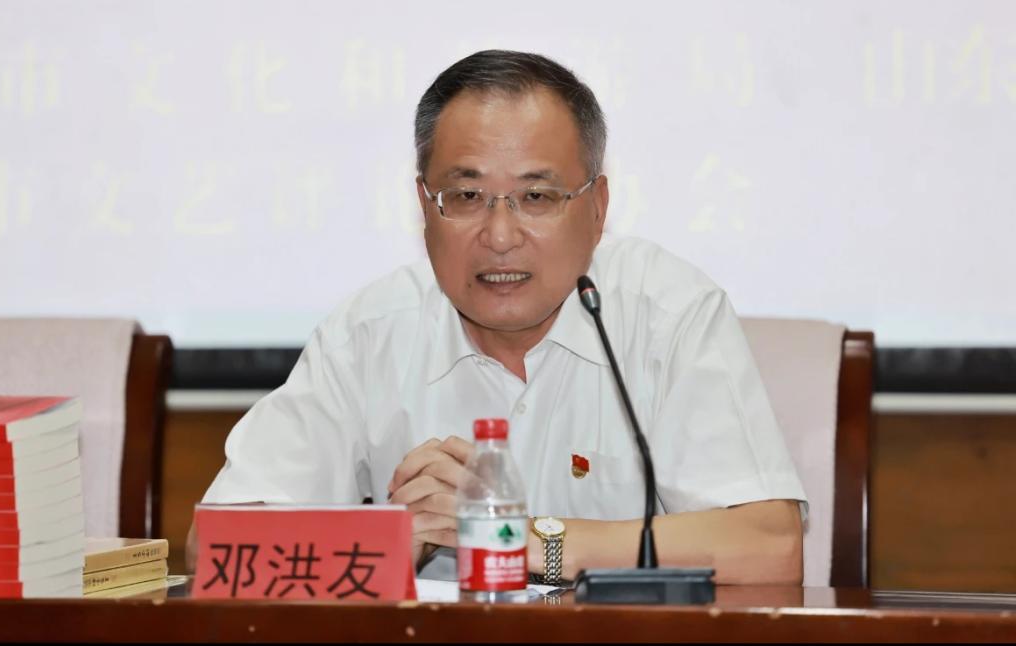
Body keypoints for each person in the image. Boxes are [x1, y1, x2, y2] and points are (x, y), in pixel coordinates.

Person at [189, 50, 806, 585]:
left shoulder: (668, 314)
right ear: (424, 206)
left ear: (597, 208)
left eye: (537, 196)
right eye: (466, 196)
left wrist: (515, 533)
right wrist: (385, 542)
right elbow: (215, 549)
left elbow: (770, 548)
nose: (501, 236)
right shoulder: (369, 334)